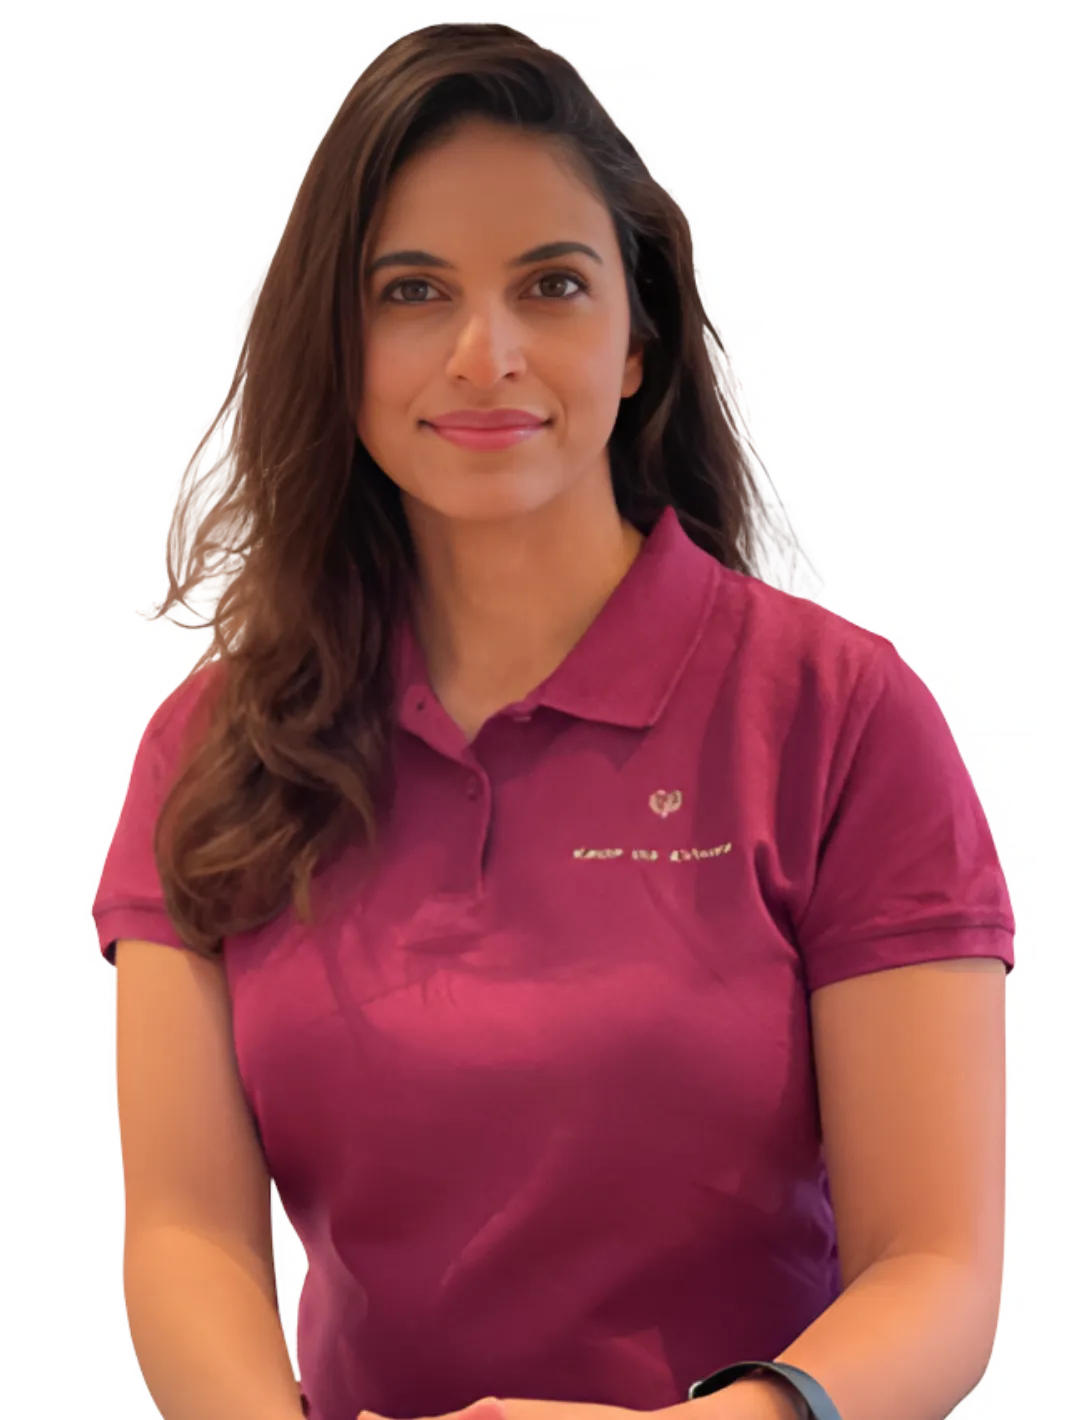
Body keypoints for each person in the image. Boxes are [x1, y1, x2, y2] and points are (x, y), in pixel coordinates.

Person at [90, 20, 1014, 1420]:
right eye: (411, 291)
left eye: (552, 285)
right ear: (336, 345)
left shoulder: (840, 716)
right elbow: (187, 1238)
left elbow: (935, 1265)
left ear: (639, 341)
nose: (485, 354)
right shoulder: (216, 748)